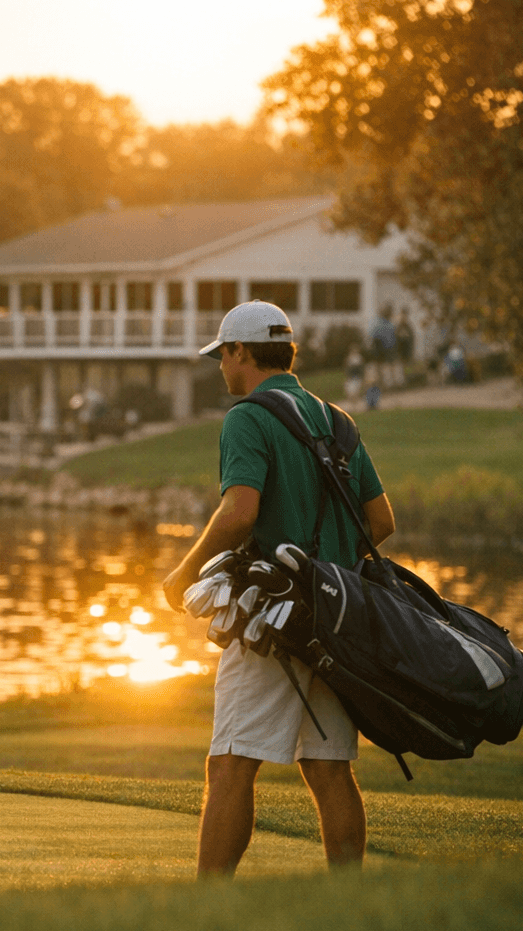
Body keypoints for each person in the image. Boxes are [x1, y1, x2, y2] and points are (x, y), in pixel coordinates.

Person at [162, 301, 396, 877]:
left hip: (272, 618)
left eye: (223, 355)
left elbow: (240, 511)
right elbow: (382, 520)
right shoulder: (336, 419)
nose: (220, 366)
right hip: (341, 617)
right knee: (328, 768)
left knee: (232, 765)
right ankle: (348, 898)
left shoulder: (248, 416)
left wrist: (184, 573)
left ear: (241, 352)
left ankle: (207, 907)